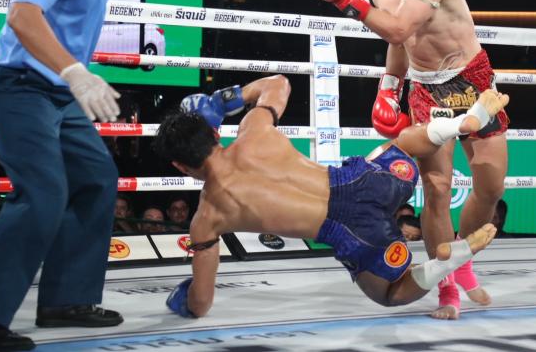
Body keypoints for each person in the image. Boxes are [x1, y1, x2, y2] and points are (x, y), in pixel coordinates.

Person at [303, 0, 509, 319]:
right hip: (425, 89)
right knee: (436, 189)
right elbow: (398, 41)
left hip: (471, 80)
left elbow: (398, 26)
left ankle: (462, 258)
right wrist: (390, 86)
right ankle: (446, 286)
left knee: (490, 187)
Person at [153, 75, 507, 317]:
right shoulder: (253, 130)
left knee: (389, 293)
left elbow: (202, 303)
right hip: (362, 182)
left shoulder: (208, 216)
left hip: (349, 232)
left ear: (180, 166)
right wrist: (220, 101)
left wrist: (183, 300)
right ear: (215, 134)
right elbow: (278, 83)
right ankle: (458, 124)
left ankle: (445, 263)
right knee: (401, 145)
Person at [0, 0, 148, 351]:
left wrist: (75, 77)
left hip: (60, 93)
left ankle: (66, 300)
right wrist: (75, 72)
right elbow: (23, 16)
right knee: (42, 192)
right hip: (21, 86)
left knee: (97, 180)